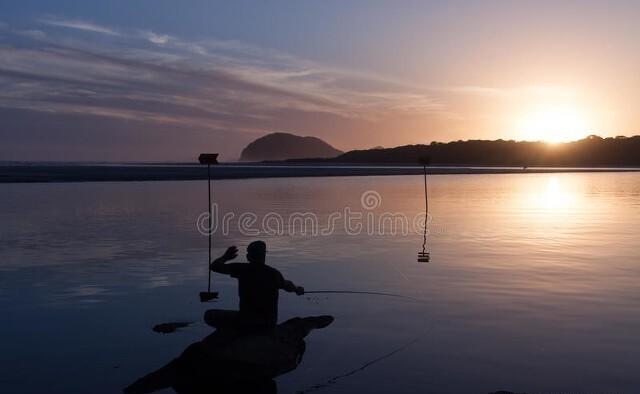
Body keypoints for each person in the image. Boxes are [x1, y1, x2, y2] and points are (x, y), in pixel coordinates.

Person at [206, 241, 304, 334]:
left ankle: (231, 336)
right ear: (264, 256)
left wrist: (225, 257)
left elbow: (214, 266)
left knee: (209, 315)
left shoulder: (241, 269)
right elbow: (288, 285)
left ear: (248, 257)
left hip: (246, 321)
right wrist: (297, 289)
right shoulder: (274, 273)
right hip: (269, 324)